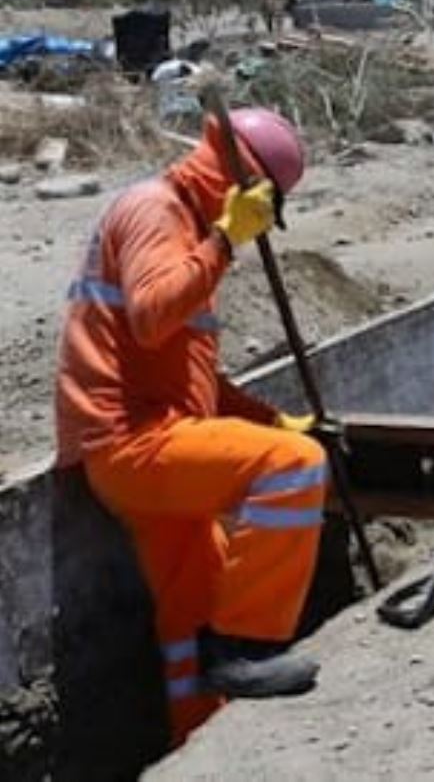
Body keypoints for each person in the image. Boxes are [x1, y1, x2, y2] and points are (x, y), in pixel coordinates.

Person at [55, 108, 324, 745]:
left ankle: (198, 741)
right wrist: (224, 242)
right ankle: (246, 648)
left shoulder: (187, 229)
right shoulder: (159, 212)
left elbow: (190, 373)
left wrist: (267, 419)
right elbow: (151, 317)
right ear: (246, 184)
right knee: (295, 467)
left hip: (147, 442)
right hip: (134, 441)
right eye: (263, 208)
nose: (259, 227)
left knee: (193, 605)